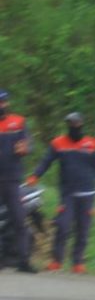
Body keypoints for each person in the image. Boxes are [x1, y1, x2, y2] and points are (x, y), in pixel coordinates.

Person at [30, 112, 95, 273]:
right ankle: (57, 260)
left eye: (76, 123)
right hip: (68, 193)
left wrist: (91, 183)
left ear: (82, 124)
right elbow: (46, 161)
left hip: (87, 193)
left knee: (83, 228)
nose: (73, 126)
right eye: (70, 124)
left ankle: (78, 262)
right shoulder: (58, 143)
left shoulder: (92, 144)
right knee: (63, 225)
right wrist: (35, 175)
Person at [0, 90, 35, 272]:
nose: (1, 105)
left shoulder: (19, 122)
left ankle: (23, 261)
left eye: (3, 102)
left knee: (19, 220)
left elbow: (29, 144)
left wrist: (25, 148)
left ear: (7, 103)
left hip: (12, 179)